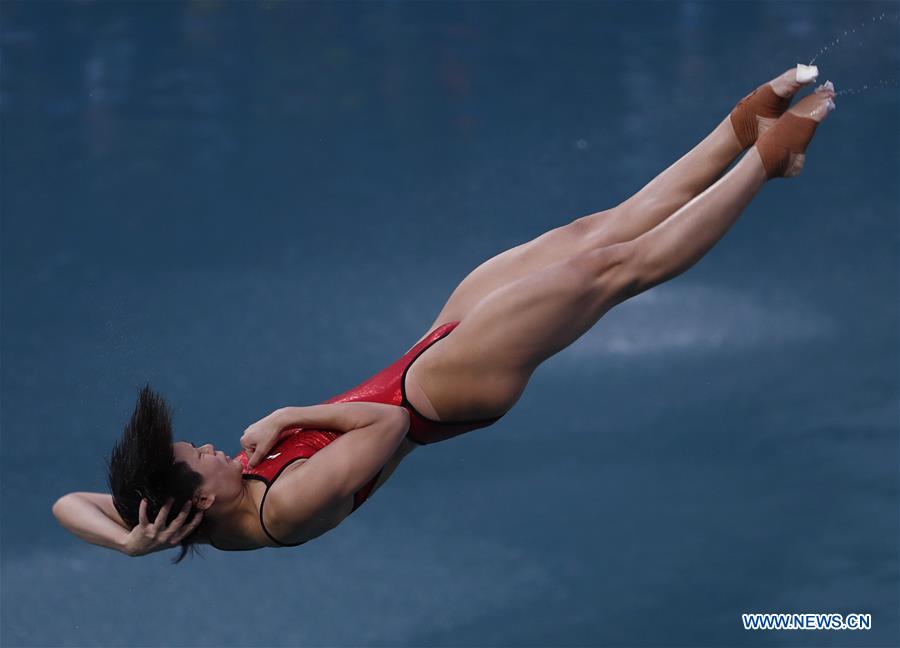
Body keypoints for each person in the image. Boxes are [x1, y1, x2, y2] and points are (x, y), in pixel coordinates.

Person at [52, 68, 836, 562]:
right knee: (614, 270)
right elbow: (387, 426)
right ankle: (767, 162)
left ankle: (738, 128)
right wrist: (292, 411)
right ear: (198, 500)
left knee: (590, 233)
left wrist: (130, 542)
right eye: (199, 456)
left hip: (428, 354)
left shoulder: (199, 502)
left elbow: (65, 505)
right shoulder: (280, 508)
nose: (208, 446)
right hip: (441, 394)